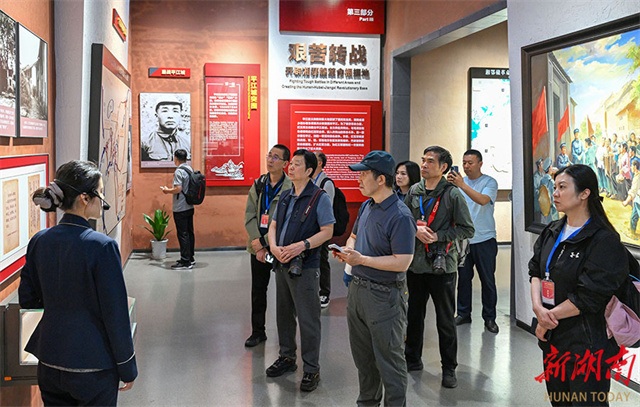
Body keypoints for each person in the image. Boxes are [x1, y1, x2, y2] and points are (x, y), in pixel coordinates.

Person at [20, 160, 137, 406]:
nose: (103, 199)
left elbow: (28, 300)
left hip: (50, 360)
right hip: (93, 364)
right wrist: (127, 367)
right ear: (85, 198)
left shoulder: (39, 241)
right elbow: (115, 314)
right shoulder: (102, 247)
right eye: (100, 192)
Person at [529, 164, 628, 407]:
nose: (555, 193)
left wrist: (546, 318)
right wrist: (538, 309)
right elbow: (535, 272)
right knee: (559, 401)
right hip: (553, 338)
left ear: (584, 193)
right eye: (555, 187)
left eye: (562, 187)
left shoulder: (603, 240)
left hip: (586, 344)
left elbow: (589, 296)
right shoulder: (552, 230)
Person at [335, 150, 416, 406]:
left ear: (381, 179)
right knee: (364, 360)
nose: (358, 179)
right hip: (358, 291)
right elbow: (354, 237)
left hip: (385, 296)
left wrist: (362, 260)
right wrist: (349, 251)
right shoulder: (367, 206)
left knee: (390, 362)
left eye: (364, 174)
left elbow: (402, 261)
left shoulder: (400, 215)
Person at [403, 146, 474, 388]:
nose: (424, 165)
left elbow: (467, 229)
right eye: (423, 160)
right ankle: (412, 359)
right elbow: (404, 220)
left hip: (443, 266)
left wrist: (438, 236)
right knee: (414, 315)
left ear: (443, 167)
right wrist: (415, 230)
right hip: (415, 265)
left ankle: (449, 368)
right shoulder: (414, 191)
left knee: (445, 320)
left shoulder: (452, 194)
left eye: (430, 161)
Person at [266, 149, 335, 392]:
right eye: (291, 164)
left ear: (309, 170)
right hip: (282, 262)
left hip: (305, 266)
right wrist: (274, 247)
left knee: (308, 319)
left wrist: (302, 245)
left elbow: (327, 231)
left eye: (297, 164)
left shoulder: (319, 197)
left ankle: (311, 369)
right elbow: (273, 225)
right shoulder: (286, 195)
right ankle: (287, 357)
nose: (291, 167)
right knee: (283, 315)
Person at [243, 144, 292, 347]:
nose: (270, 160)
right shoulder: (259, 184)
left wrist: (265, 243)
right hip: (257, 248)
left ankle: (286, 339)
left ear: (285, 163)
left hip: (280, 248)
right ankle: (258, 332)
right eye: (269, 155)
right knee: (258, 291)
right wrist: (258, 244)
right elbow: (249, 215)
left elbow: (288, 221)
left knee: (285, 294)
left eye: (276, 157)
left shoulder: (291, 187)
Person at [447, 149, 499, 333]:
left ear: (480, 164)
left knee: (487, 280)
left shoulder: (489, 182)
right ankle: (463, 313)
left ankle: (490, 318)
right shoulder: (457, 184)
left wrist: (461, 185)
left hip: (485, 239)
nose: (466, 166)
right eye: (464, 163)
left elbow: (483, 200)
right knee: (463, 279)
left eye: (470, 163)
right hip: (463, 240)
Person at [161, 149, 195, 269]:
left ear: (175, 158)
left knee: (183, 234)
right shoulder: (190, 169)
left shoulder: (179, 171)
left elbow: (178, 189)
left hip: (180, 207)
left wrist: (166, 190)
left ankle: (185, 261)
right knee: (189, 233)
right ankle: (190, 258)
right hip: (190, 206)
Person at [312, 150, 335, 308]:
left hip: (321, 229)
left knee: (322, 259)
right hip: (308, 229)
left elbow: (327, 208)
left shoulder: (326, 183)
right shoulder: (308, 180)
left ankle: (324, 292)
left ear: (320, 163)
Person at [141, 97, 191, 162]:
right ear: (156, 115)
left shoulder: (187, 144)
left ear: (180, 115)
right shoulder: (145, 143)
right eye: (164, 111)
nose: (170, 116)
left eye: (175, 111)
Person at [623, 160, 640, 237]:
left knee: (635, 216)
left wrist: (626, 202)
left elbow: (633, 191)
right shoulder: (637, 175)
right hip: (637, 200)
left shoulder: (637, 177)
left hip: (638, 200)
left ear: (635, 167)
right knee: (634, 217)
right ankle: (632, 233)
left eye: (632, 166)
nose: (631, 168)